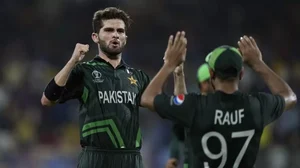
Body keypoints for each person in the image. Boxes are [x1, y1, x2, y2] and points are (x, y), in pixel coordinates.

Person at [141, 32, 297, 168]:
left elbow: (148, 98)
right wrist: (258, 63)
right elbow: (289, 96)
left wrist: (169, 64)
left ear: (211, 74)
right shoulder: (256, 106)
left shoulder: (196, 107)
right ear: (241, 74)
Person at [41, 7, 150, 168]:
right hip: (95, 158)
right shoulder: (84, 71)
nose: (115, 35)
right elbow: (47, 99)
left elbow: (167, 107)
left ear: (125, 37)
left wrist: (175, 72)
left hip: (131, 159)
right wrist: (73, 61)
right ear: (95, 37)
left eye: (120, 31)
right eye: (109, 30)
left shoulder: (138, 76)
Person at [166, 63, 212, 168]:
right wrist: (174, 156)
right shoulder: (193, 106)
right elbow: (178, 132)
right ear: (204, 83)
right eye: (213, 80)